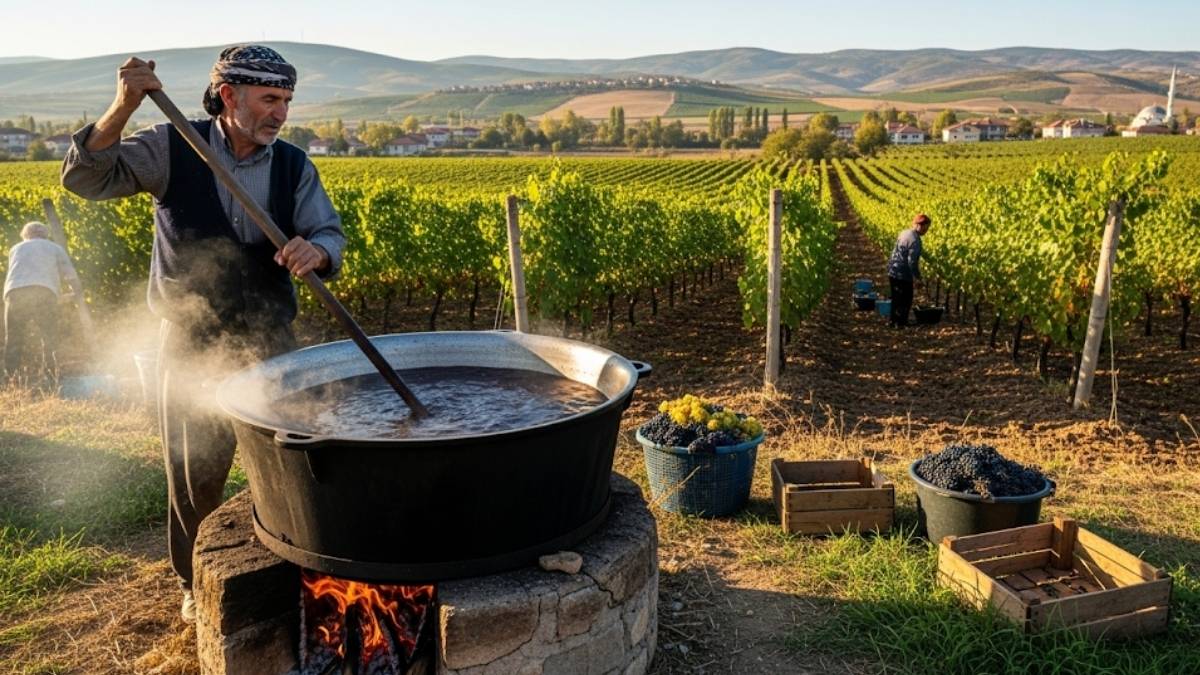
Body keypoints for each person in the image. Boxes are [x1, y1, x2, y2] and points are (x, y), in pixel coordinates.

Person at [61, 45, 345, 623]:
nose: (280, 113)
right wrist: (123, 105)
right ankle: (197, 580)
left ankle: (295, 564)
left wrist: (315, 250)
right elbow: (85, 178)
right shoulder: (172, 147)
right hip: (192, 341)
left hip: (269, 342)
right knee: (194, 469)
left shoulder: (293, 166)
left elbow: (329, 234)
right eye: (269, 99)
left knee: (291, 462)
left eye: (286, 100)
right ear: (230, 95)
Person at [4, 222, 82, 379]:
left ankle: (11, 378)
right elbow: (69, 272)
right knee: (49, 336)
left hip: (15, 293)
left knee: (13, 338)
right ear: (45, 234)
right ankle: (50, 375)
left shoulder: (15, 248)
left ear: (25, 235)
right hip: (44, 292)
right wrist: (77, 291)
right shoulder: (54, 247)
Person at [887, 213, 930, 327]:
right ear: (919, 225)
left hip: (892, 269)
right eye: (926, 227)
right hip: (903, 273)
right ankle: (901, 324)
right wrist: (918, 278)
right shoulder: (916, 240)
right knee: (906, 299)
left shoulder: (904, 232)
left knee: (896, 298)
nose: (926, 231)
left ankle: (893, 322)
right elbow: (912, 262)